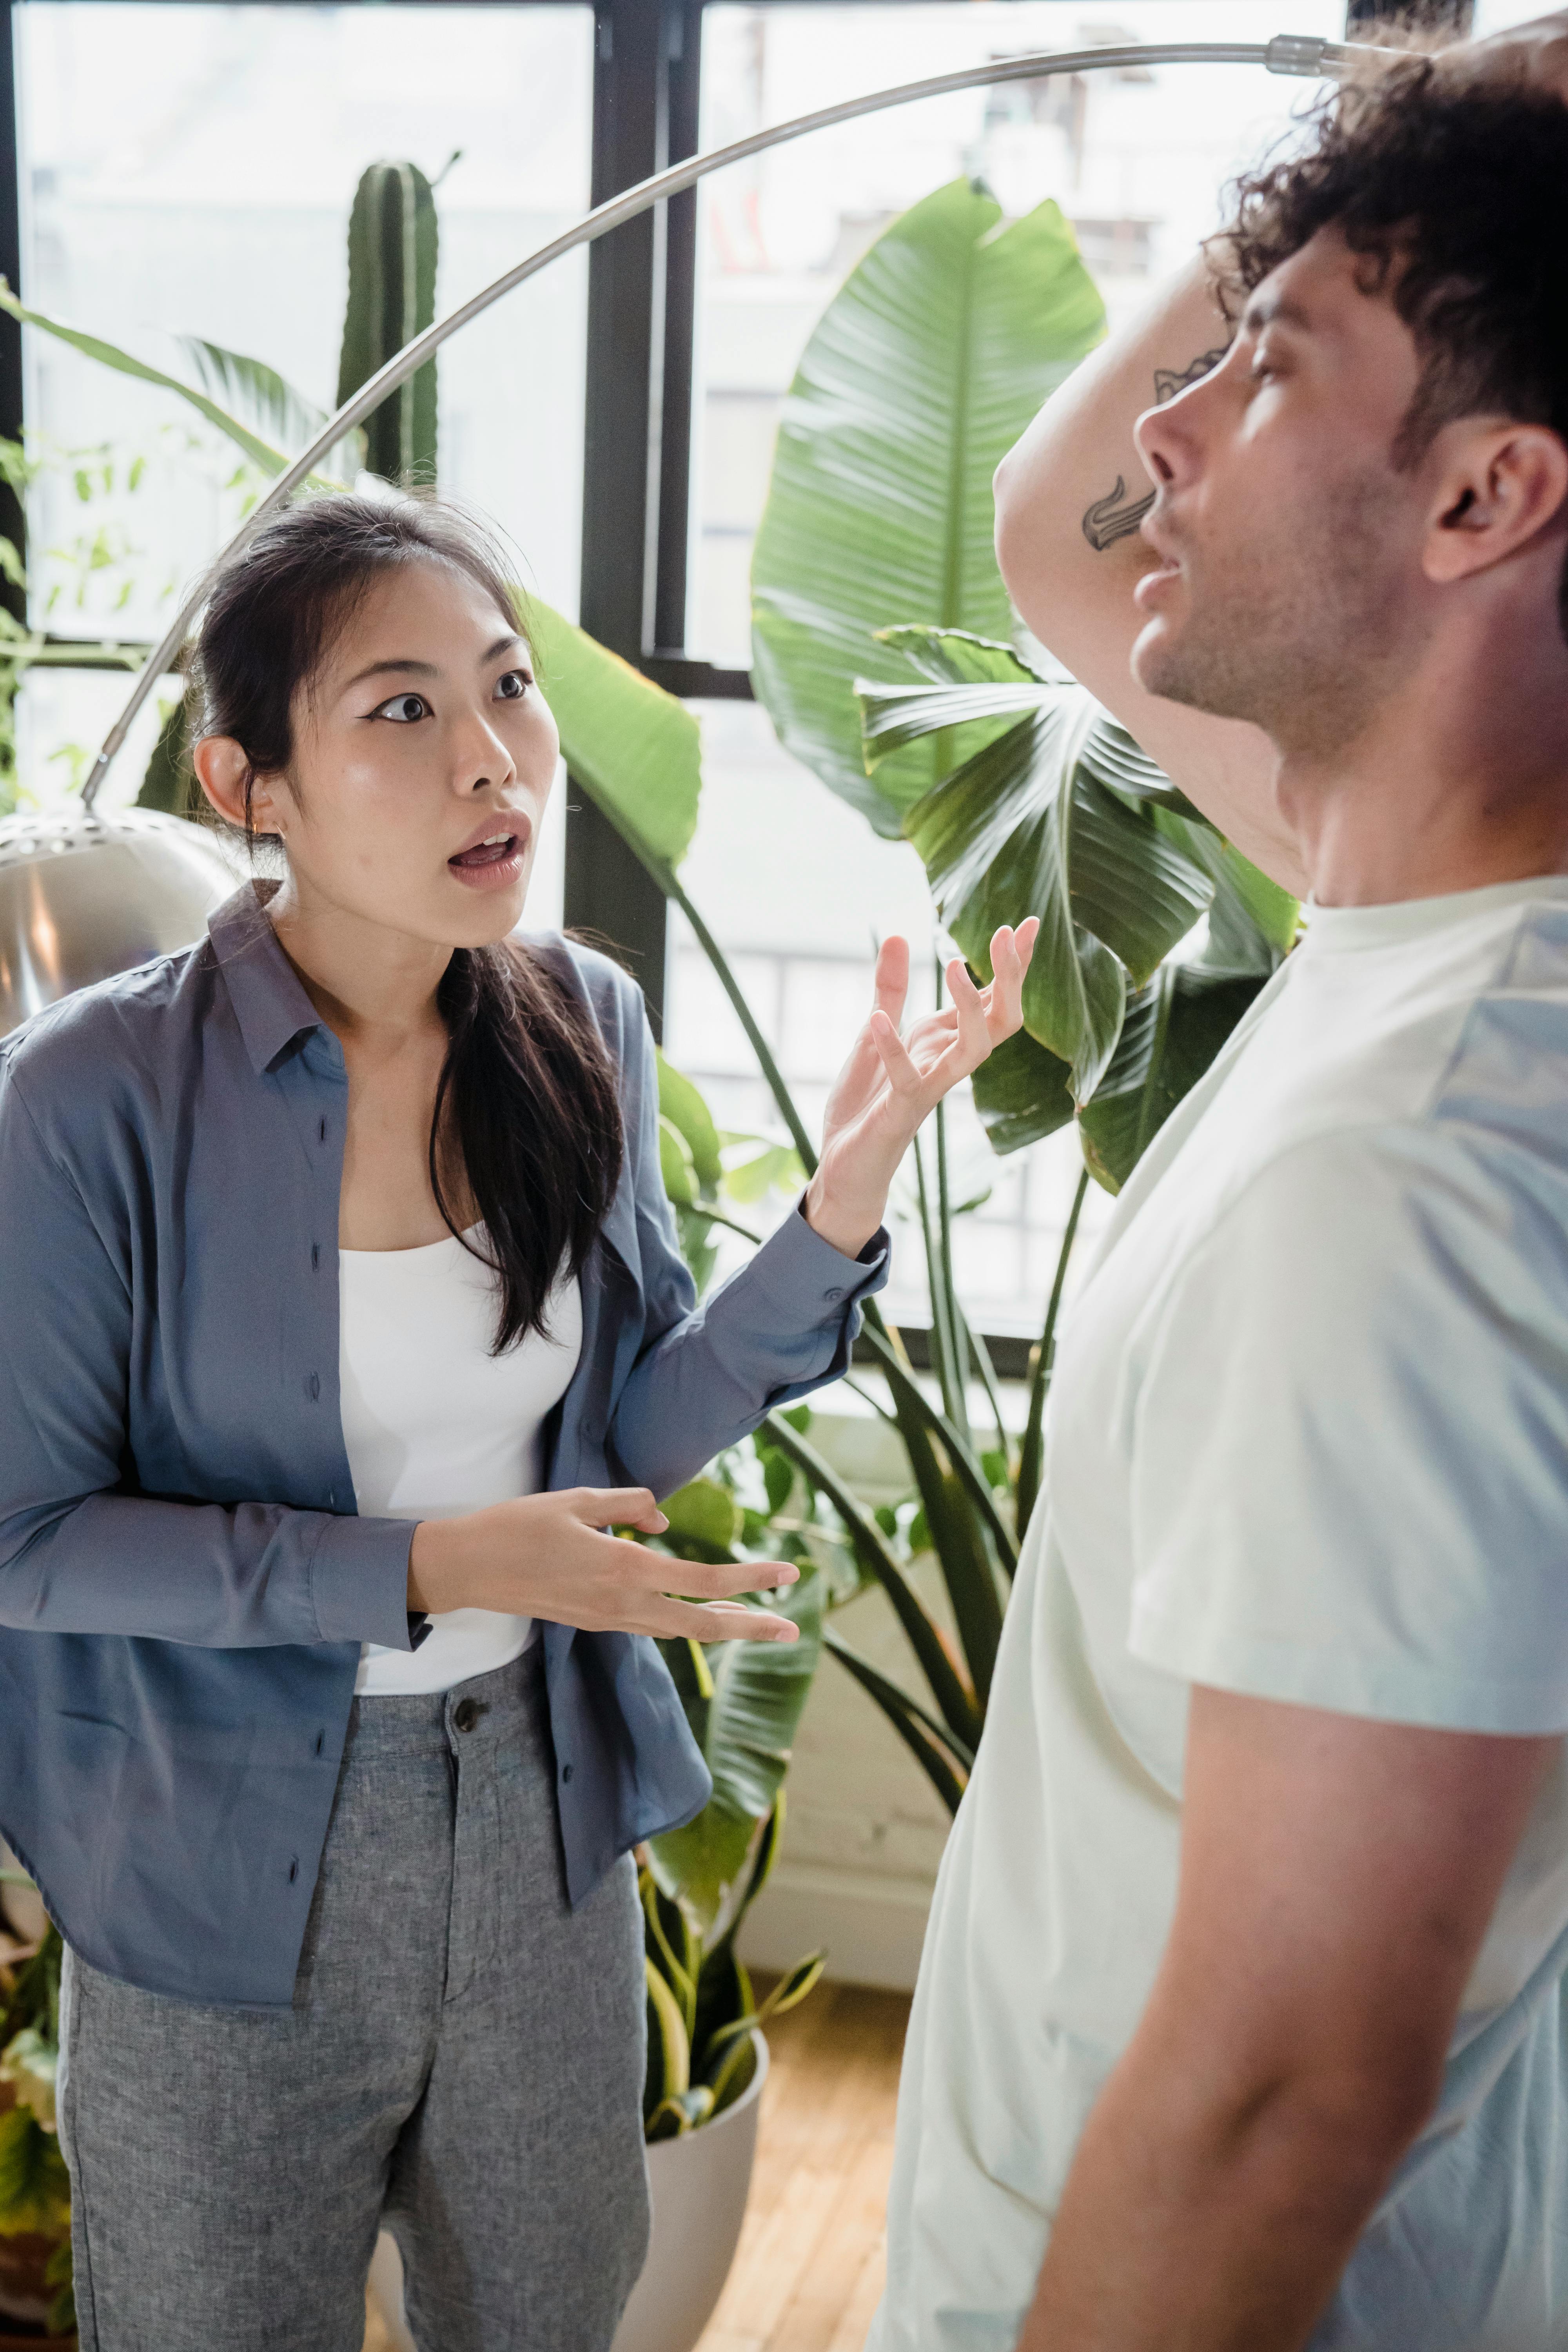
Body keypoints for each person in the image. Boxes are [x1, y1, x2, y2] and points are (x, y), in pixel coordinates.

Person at [0, 490, 1037, 2352]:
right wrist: (429, 1566)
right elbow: (31, 1540)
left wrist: (844, 1196)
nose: (493, 762)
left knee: (554, 2314)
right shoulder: (88, 1100)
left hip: (539, 1829)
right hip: (216, 1880)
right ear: (252, 786)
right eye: (401, 711)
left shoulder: (583, 1022)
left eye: (507, 690)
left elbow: (633, 1428)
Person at [870, 23, 1568, 2352]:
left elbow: (1286, 2094)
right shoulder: (1420, 923)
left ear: (1485, 503)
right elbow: (1063, 522)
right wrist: (1440, 109)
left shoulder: (1417, 1162)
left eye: (1267, 375)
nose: (1168, 428)